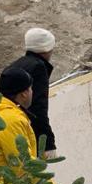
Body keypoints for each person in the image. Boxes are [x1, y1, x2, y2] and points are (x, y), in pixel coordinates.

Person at [8, 28, 57, 157]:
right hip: (28, 132)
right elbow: (38, 107)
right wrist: (47, 144)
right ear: (46, 49)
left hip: (11, 127)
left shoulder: (15, 65)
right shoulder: (38, 68)